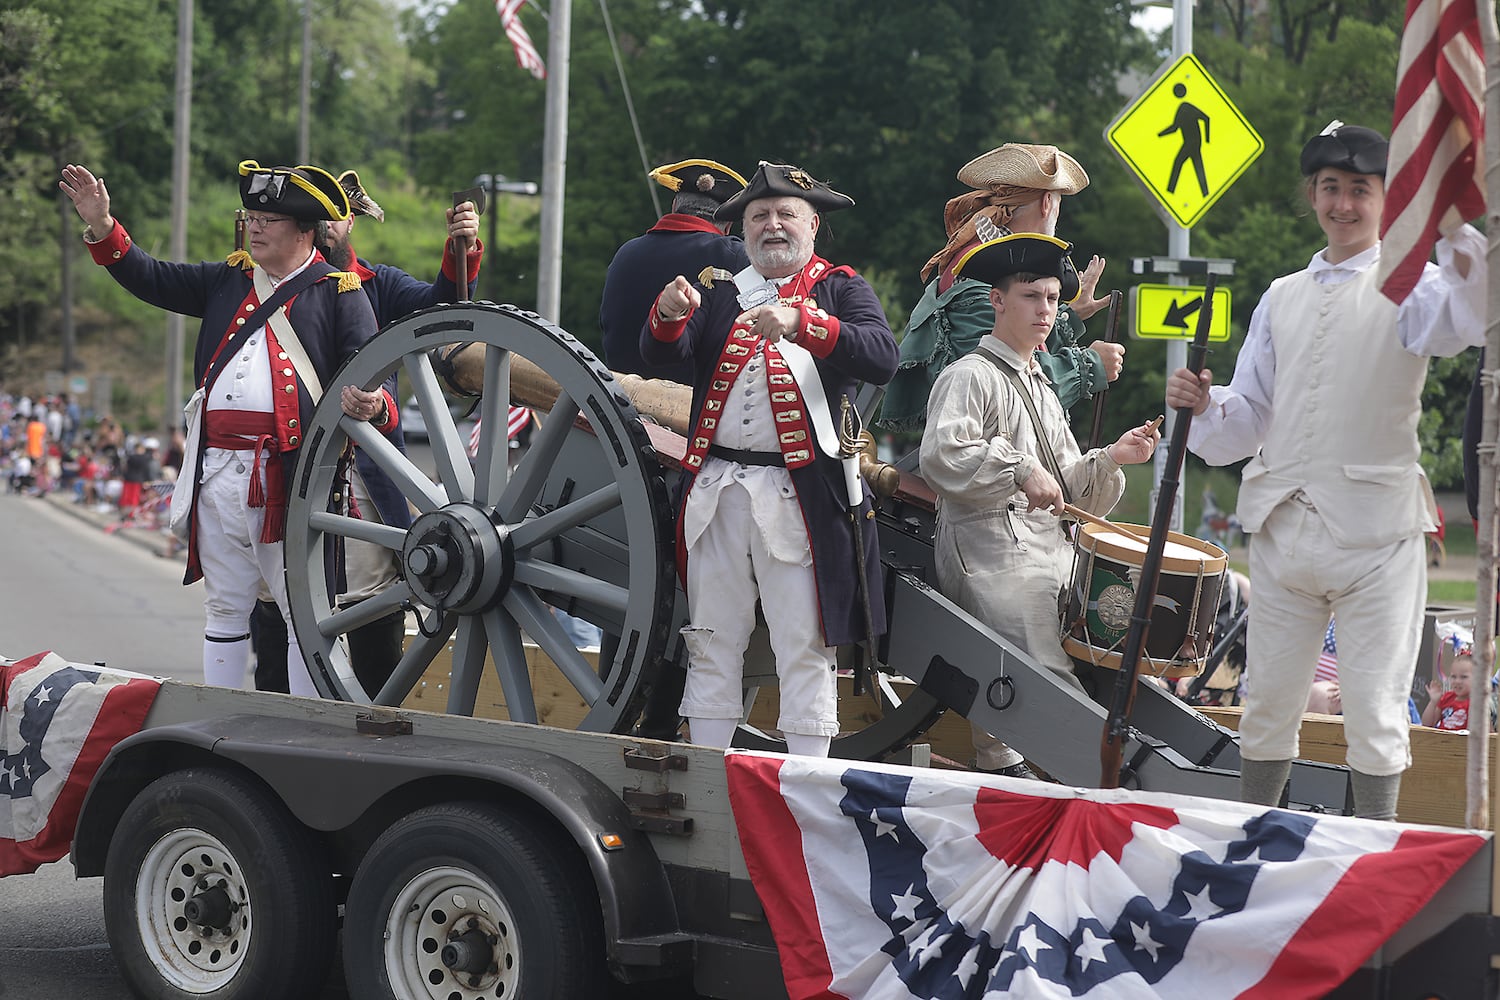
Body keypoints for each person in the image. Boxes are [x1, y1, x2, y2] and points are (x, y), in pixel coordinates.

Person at [1164, 122, 1486, 820]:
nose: (1344, 205)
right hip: (1284, 529)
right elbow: (1248, 418)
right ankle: (1257, 843)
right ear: (1312, 194)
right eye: (1331, 188)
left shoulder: (1415, 288)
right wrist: (1204, 404)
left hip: (1377, 537)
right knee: (1268, 706)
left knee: (1374, 714)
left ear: (1384, 199)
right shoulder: (1280, 296)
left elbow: (1473, 318)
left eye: (1360, 191)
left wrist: (1458, 228)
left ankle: (1370, 859)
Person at [60, 159, 388, 697]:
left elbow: (376, 373)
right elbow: (148, 275)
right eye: (252, 216)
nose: (255, 226)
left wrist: (372, 402)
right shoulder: (226, 279)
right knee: (225, 607)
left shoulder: (340, 291)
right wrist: (102, 225)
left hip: (292, 477)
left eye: (270, 219)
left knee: (305, 614)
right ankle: (222, 718)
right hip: (217, 472)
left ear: (305, 230)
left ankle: (310, 727)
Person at [640, 161, 898, 756]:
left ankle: (805, 785)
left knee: (804, 645)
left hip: (799, 498)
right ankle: (707, 775)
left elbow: (880, 355)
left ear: (812, 225)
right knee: (710, 641)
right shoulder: (720, 291)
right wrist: (669, 316)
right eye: (759, 216)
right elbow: (659, 357)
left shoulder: (840, 288)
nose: (772, 225)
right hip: (717, 491)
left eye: (785, 214)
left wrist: (803, 322)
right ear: (743, 231)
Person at [919, 233, 1159, 775]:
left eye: (1052, 298)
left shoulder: (1043, 388)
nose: (1046, 310)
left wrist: (1113, 458)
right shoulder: (968, 375)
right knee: (1043, 674)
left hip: (1051, 552)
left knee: (1108, 656)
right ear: (997, 302)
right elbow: (943, 456)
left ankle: (1074, 771)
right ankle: (1030, 772)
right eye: (1031, 296)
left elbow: (1069, 490)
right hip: (992, 552)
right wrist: (1020, 468)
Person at [251, 169, 484, 697]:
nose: (327, 227)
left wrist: (462, 248)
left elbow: (443, 305)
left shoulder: (377, 285)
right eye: (315, 216)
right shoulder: (259, 288)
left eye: (335, 214)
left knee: (371, 604)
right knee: (276, 604)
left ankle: (376, 719)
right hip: (285, 470)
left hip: (361, 471)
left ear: (349, 217)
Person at [879, 143, 1125, 432]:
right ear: (1047, 202)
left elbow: (1014, 347)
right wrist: (1091, 365)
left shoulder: (984, 259)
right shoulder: (984, 270)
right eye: (1059, 203)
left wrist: (1069, 316)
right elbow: (1016, 388)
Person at [601, 158, 750, 382]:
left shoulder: (625, 252)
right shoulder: (737, 256)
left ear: (674, 207)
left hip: (618, 403)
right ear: (728, 225)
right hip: (693, 412)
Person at [1422, 652, 1474, 731]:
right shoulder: (1447, 697)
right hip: (1441, 740)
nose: (1457, 681)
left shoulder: (1476, 702)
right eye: (1453, 676)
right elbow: (1427, 725)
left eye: (1464, 677)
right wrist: (1433, 702)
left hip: (1461, 742)